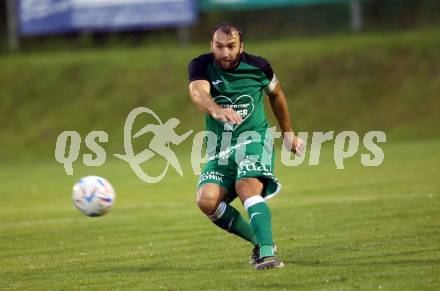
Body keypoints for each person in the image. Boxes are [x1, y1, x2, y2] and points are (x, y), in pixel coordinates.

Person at [188, 23, 305, 270]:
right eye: (219, 46)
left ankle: (267, 255)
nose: (225, 53)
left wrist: (288, 133)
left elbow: (277, 94)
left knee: (246, 184)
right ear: (212, 45)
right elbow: (199, 94)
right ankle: (260, 242)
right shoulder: (201, 65)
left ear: (242, 46)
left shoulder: (259, 67)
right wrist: (216, 110)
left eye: (231, 46)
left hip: (255, 140)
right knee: (206, 200)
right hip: (221, 150)